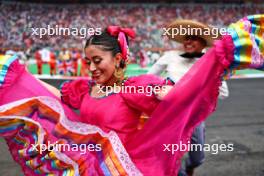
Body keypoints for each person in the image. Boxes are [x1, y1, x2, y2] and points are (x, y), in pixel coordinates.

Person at [0, 15, 263, 176]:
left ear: (117, 59)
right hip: (90, 165)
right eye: (88, 61)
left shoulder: (133, 88)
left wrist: (171, 91)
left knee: (197, 155)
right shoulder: (85, 88)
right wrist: (18, 75)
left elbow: (177, 98)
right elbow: (57, 96)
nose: (91, 68)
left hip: (129, 167)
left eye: (97, 61)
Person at [148, 19, 229, 176]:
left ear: (204, 42)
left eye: (194, 38)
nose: (189, 41)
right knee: (170, 159)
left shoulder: (211, 62)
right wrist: (162, 89)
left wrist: (213, 78)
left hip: (194, 118)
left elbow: (224, 93)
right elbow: (148, 78)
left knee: (197, 158)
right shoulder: (170, 56)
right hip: (168, 117)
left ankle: (190, 167)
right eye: (186, 38)